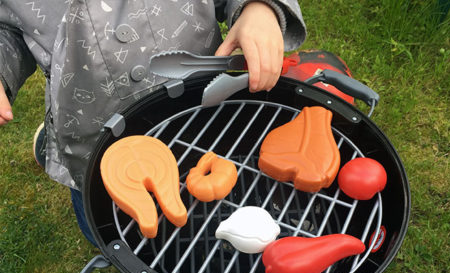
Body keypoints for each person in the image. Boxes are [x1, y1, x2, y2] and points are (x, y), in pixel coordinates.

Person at [0, 0, 306, 245]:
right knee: (104, 219)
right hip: (91, 134)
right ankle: (110, 246)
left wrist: (260, 7)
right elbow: (8, 26)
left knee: (197, 195)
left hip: (198, 113)